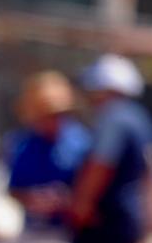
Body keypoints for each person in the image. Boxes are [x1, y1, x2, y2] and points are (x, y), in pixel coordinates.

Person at [67, 55, 152, 243]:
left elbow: (102, 162)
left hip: (108, 218)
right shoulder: (138, 117)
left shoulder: (113, 119)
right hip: (131, 213)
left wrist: (82, 204)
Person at [5, 72, 90, 242]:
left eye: (57, 114)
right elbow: (13, 189)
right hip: (32, 230)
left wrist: (66, 200)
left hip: (69, 232)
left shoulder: (81, 142)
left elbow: (92, 192)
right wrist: (32, 198)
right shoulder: (22, 143)